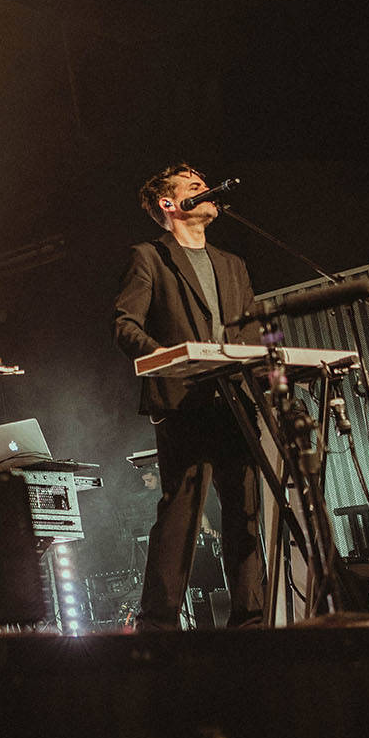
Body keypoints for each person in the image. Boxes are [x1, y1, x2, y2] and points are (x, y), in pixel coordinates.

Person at [112, 162, 266, 630]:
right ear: (169, 204)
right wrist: (168, 358)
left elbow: (256, 327)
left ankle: (251, 622)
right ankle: (158, 626)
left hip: (235, 400)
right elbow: (125, 324)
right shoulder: (150, 258)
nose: (208, 189)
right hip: (184, 403)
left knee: (245, 514)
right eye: (195, 186)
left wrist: (271, 375)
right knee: (180, 515)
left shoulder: (232, 263)